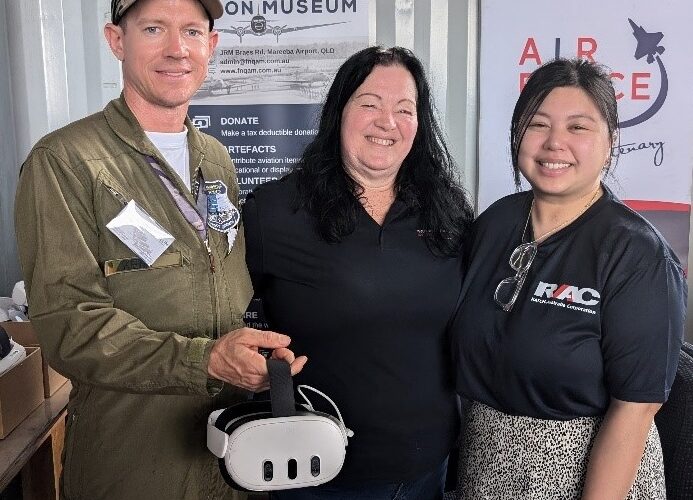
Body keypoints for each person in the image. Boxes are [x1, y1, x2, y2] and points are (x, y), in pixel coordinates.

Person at [14, 0, 306, 498]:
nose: (177, 49)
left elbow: (223, 285)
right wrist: (206, 361)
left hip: (227, 451)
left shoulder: (215, 158)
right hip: (134, 461)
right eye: (154, 28)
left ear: (210, 46)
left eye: (192, 31)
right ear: (116, 40)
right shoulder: (65, 161)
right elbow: (70, 323)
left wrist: (250, 359)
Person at [242, 46, 474, 499]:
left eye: (404, 109)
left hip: (429, 466)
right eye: (370, 103)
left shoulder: (448, 212)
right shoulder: (275, 212)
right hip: (317, 471)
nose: (387, 121)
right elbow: (220, 318)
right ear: (339, 112)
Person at [452, 58, 687, 499]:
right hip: (483, 463)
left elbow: (636, 410)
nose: (554, 143)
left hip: (590, 473)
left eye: (578, 128)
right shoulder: (496, 223)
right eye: (538, 125)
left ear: (610, 142)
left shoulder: (637, 253)